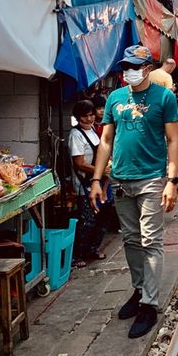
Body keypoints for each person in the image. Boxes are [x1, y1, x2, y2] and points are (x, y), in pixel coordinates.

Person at [90, 44, 178, 339]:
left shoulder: (164, 97)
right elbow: (105, 140)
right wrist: (96, 180)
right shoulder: (115, 98)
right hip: (120, 180)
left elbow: (172, 141)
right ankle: (139, 289)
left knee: (151, 241)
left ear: (146, 67)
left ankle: (150, 305)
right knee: (130, 239)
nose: (129, 70)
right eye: (125, 65)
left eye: (135, 65)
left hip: (152, 179)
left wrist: (172, 180)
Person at [69, 100, 108, 267]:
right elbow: (79, 163)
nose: (90, 118)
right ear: (78, 117)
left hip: (99, 181)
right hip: (84, 184)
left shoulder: (93, 130)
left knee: (102, 218)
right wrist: (99, 171)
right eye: (85, 116)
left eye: (91, 115)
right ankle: (77, 255)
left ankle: (93, 249)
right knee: (88, 220)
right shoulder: (75, 135)